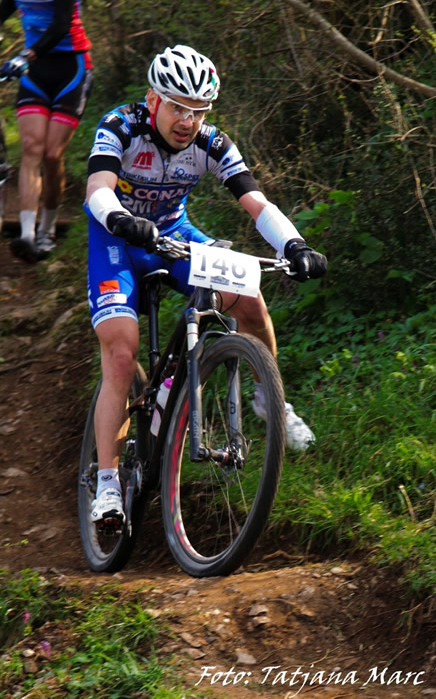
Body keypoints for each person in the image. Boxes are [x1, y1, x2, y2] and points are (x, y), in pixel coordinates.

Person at [85, 45, 327, 526]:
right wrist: (120, 218)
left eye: (198, 111)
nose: (188, 121)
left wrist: (295, 244)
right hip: (117, 238)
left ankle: (270, 401)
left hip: (173, 236)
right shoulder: (121, 125)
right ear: (153, 99)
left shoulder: (212, 143)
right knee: (121, 354)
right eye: (178, 107)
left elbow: (257, 203)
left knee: (249, 301)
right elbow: (97, 189)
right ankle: (108, 484)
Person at [0, 0, 92, 262]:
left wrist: (25, 56)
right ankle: (27, 235)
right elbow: (10, 2)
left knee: (52, 155)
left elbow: (61, 25)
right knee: (31, 147)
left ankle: (47, 228)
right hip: (35, 72)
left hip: (71, 69)